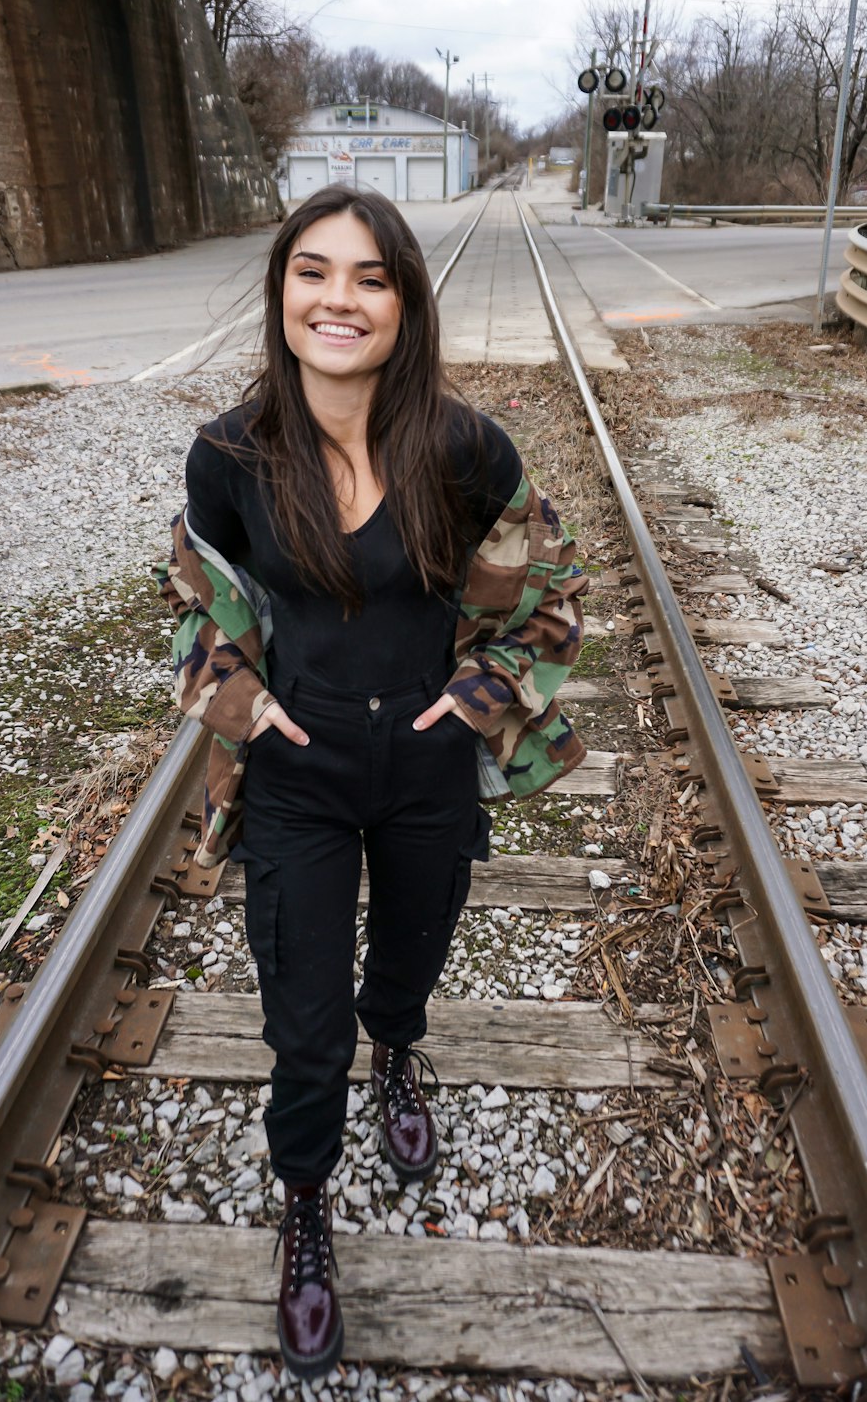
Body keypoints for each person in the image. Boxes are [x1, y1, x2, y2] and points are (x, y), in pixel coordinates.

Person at [156, 184, 588, 1380]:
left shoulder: (463, 448)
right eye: (312, 271)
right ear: (281, 290)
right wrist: (246, 701)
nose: (336, 298)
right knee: (302, 1025)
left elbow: (549, 592)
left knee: (406, 960)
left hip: (427, 769)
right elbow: (197, 606)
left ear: (404, 303)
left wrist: (480, 701)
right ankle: (306, 1203)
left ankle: (395, 1046)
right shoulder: (229, 456)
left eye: (369, 277)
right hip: (297, 774)